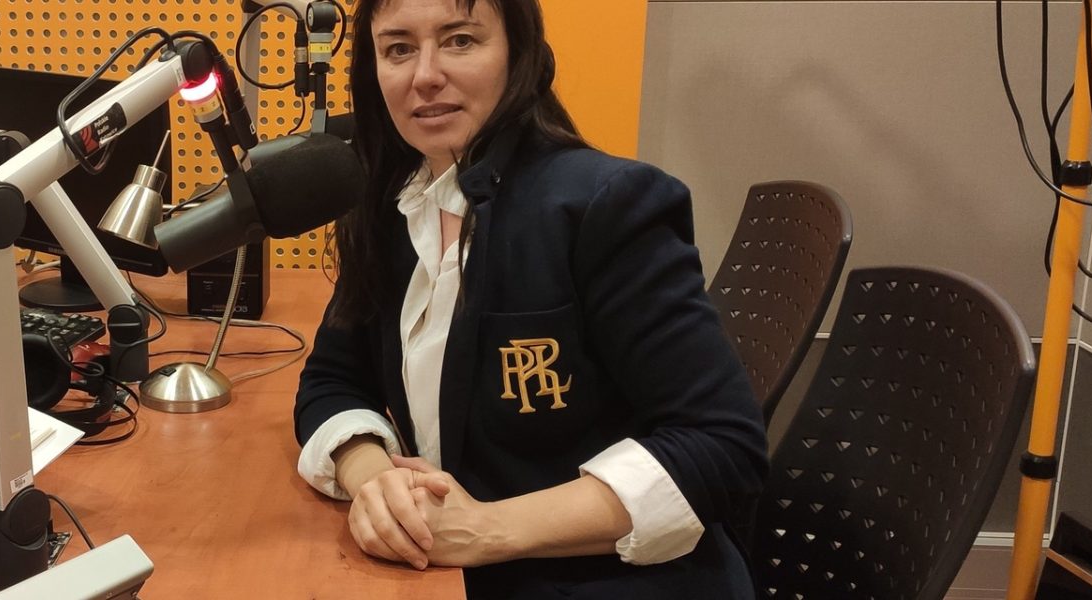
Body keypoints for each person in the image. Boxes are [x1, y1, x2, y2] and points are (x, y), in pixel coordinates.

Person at [292, 0, 769, 597]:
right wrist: (374, 479)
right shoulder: (391, 207)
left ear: (518, 54)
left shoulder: (607, 204)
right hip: (451, 574)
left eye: (460, 40)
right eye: (399, 49)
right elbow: (333, 379)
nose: (425, 75)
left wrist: (486, 529)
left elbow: (724, 449)